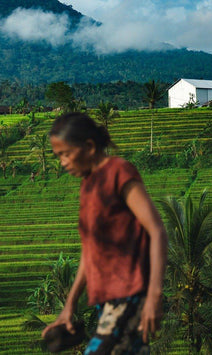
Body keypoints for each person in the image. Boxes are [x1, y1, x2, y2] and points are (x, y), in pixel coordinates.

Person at [42, 112, 168, 354]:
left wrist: (154, 294)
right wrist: (70, 305)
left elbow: (157, 231)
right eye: (59, 156)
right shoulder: (87, 186)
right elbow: (89, 254)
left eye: (66, 154)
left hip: (131, 291)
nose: (63, 162)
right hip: (107, 298)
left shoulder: (119, 172)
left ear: (89, 147)